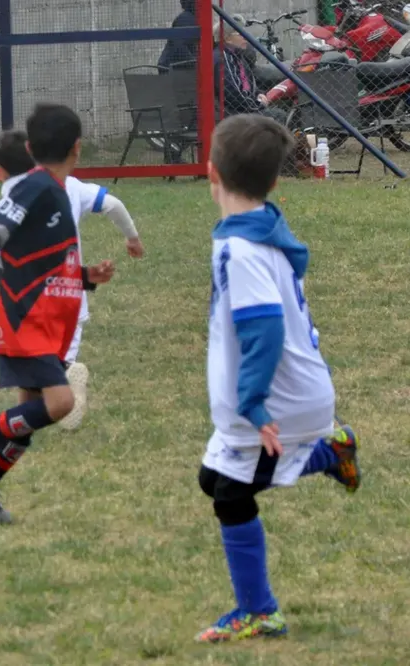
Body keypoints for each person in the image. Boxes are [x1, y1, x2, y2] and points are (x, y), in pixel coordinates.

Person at [195, 113, 361, 643]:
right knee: (211, 480)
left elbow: (263, 332)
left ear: (210, 173)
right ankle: (329, 451)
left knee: (229, 496)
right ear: (272, 183)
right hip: (299, 395)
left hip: (277, 402)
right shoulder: (263, 225)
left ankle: (259, 611)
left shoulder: (240, 250)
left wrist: (255, 404)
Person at [0, 131, 143, 441]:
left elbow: (0, 244)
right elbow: (111, 203)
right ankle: (38, 408)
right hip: (69, 299)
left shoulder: (17, 197)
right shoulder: (68, 187)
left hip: (23, 303)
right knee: (34, 380)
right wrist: (132, 238)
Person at [0, 103, 117, 525]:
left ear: (30, 145)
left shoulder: (55, 192)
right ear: (78, 148)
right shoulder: (37, 186)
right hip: (27, 320)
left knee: (23, 424)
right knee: (58, 404)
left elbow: (40, 261)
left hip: (50, 319)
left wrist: (84, 276)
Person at [213, 18, 288, 126]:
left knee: (277, 113)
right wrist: (257, 105)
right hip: (233, 112)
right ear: (228, 38)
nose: (246, 37)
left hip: (245, 107)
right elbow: (233, 94)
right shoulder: (223, 58)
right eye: (240, 33)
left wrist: (258, 93)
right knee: (278, 115)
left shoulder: (237, 55)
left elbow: (247, 83)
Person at [158, 0, 199, 70]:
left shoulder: (189, 17)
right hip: (172, 68)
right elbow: (179, 45)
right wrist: (194, 64)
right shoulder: (186, 18)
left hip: (173, 66)